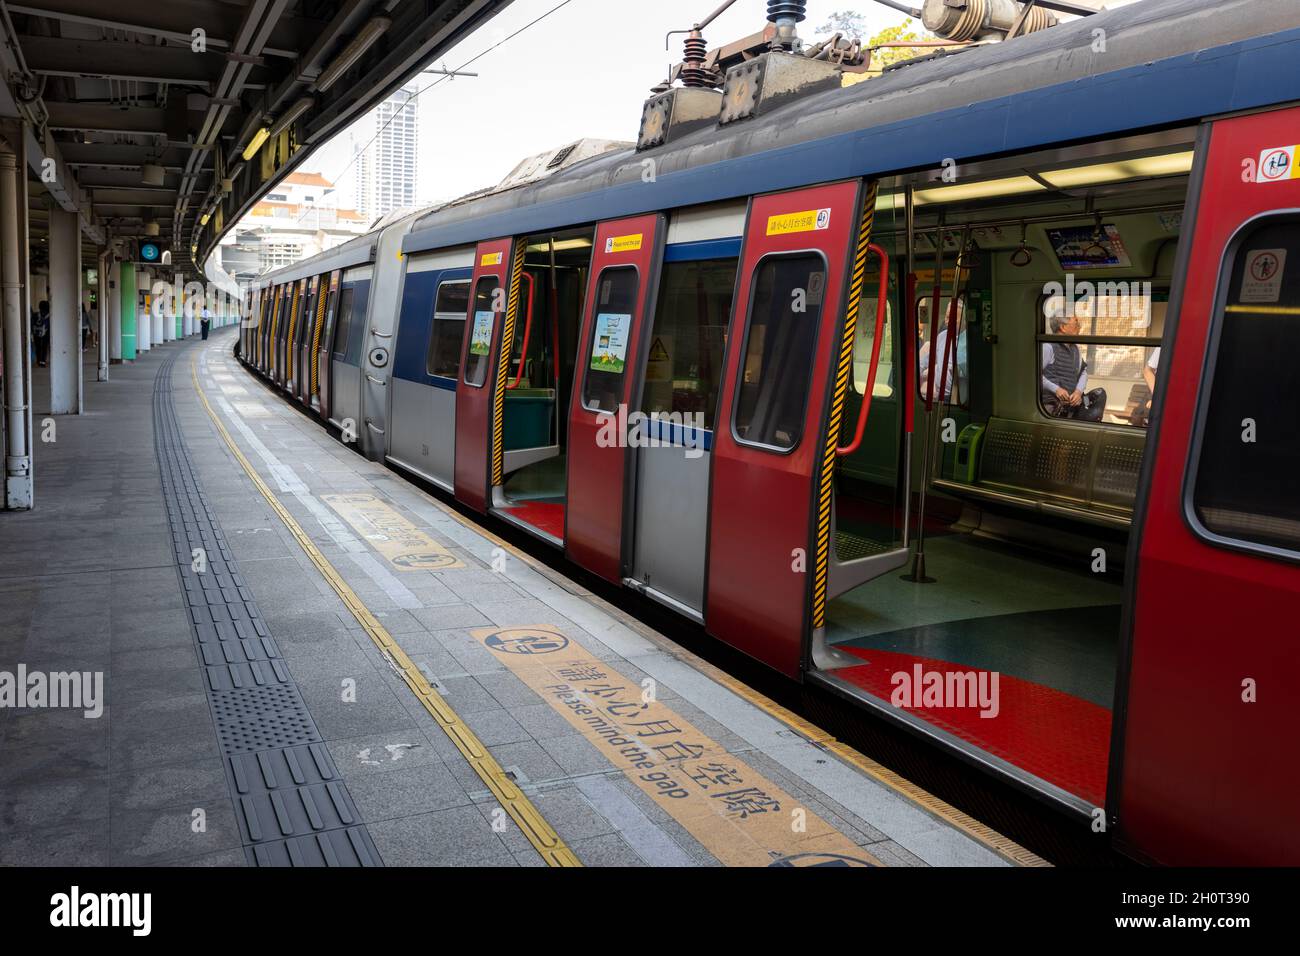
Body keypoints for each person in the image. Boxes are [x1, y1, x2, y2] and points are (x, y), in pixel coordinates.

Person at [1041, 312, 1106, 420]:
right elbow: (1032, 375)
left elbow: (1083, 371)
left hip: (1073, 404)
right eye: (1076, 324)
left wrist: (1078, 392)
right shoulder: (1048, 347)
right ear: (1063, 327)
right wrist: (1056, 389)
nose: (1079, 327)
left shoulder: (1075, 348)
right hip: (1053, 407)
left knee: (1100, 395)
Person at [917, 304, 968, 404]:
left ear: (963, 320)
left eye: (953, 318)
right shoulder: (942, 336)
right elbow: (929, 358)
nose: (947, 321)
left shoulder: (967, 340)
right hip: (939, 394)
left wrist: (958, 368)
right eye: (947, 317)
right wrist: (916, 371)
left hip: (958, 397)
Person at [32, 299, 50, 367]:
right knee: (44, 347)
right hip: (46, 332)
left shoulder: (36, 314)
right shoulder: (48, 315)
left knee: (38, 347)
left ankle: (38, 361)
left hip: (36, 333)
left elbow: (32, 323)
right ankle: (43, 362)